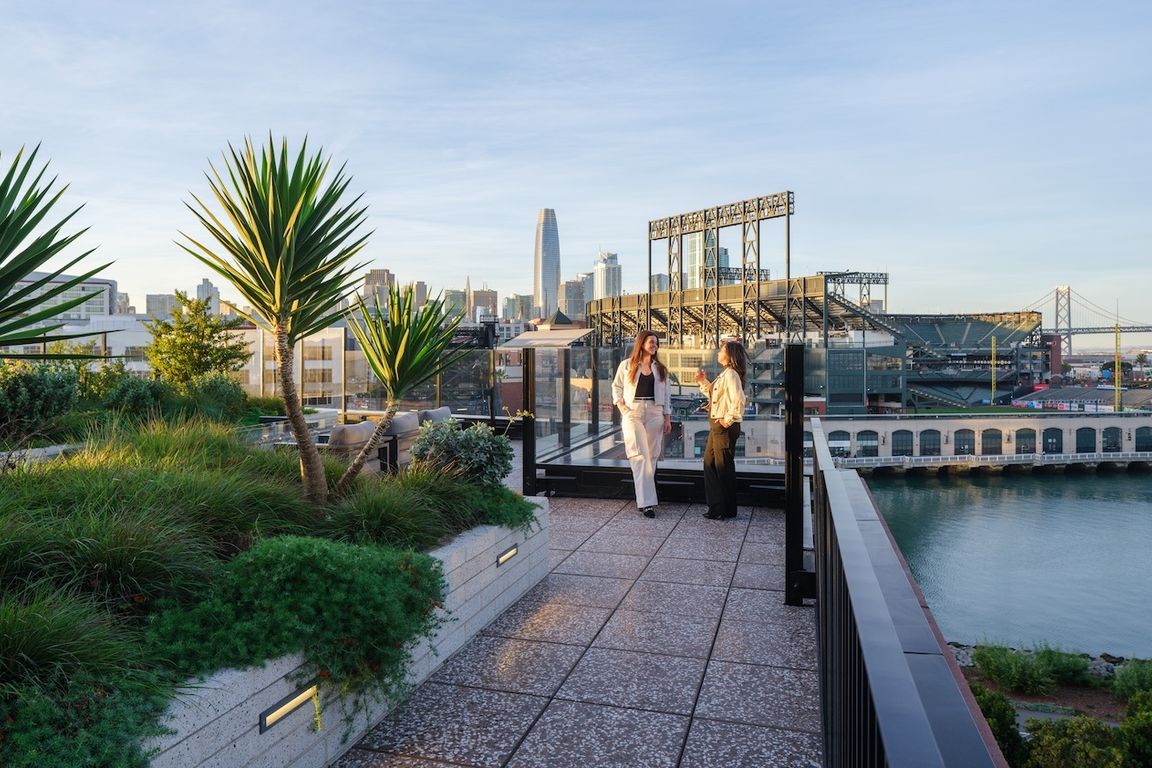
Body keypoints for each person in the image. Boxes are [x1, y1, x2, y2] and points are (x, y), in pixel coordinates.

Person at [612, 330, 672, 518]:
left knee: (651, 456)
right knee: (639, 455)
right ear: (641, 343)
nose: (654, 345)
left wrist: (667, 418)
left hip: (655, 412)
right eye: (651, 342)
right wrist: (621, 406)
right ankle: (647, 504)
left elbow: (667, 395)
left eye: (656, 342)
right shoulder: (627, 365)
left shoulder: (660, 369)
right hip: (633, 412)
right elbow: (616, 386)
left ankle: (644, 499)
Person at [694, 339, 748, 519]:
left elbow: (739, 400)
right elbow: (714, 394)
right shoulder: (726, 374)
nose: (718, 353)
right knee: (711, 464)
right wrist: (702, 381)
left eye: (722, 350)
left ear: (729, 355)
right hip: (717, 427)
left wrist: (728, 419)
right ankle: (720, 508)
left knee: (722, 468)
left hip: (723, 427)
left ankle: (723, 510)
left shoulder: (731, 374)